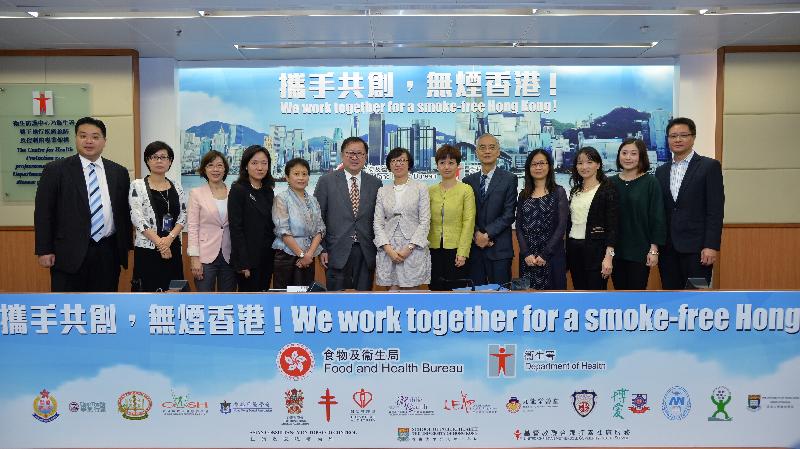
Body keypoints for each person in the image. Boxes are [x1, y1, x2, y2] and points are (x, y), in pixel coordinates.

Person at [34, 116, 132, 292]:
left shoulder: (119, 172)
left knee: (103, 308)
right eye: (83, 136)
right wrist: (44, 250)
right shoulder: (56, 170)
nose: (89, 141)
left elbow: (123, 212)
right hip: (68, 252)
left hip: (108, 251)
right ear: (76, 138)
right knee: (69, 309)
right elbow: (43, 213)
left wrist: (126, 248)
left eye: (95, 137)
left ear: (104, 141)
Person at [655, 117, 724, 289]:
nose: (678, 140)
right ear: (668, 139)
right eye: (673, 136)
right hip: (668, 249)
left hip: (697, 249)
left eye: (683, 135)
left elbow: (715, 210)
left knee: (697, 298)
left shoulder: (709, 166)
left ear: (693, 137)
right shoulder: (661, 171)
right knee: (670, 297)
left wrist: (710, 245)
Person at [314, 136, 382, 291]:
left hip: (366, 250)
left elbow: (379, 219)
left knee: (364, 300)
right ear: (342, 155)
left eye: (359, 153)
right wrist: (322, 249)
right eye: (350, 153)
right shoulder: (326, 181)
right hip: (335, 250)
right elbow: (318, 218)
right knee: (336, 299)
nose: (354, 157)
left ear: (365, 156)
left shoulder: (376, 183)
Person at [129, 141, 187, 292]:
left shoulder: (177, 186)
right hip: (148, 248)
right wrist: (160, 244)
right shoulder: (137, 185)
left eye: (163, 157)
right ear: (147, 160)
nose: (159, 161)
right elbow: (137, 217)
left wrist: (169, 239)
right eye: (154, 157)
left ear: (170, 161)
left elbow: (183, 214)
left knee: (175, 291)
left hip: (173, 245)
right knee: (148, 294)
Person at [610, 138, 666, 290]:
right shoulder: (610, 182)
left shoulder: (650, 182)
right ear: (619, 156)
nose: (628, 157)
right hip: (615, 251)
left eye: (633, 153)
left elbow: (657, 217)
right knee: (619, 295)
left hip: (640, 251)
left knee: (636, 296)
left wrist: (654, 250)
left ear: (641, 156)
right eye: (624, 153)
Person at [463, 133, 517, 287]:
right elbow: (466, 215)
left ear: (498, 152)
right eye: (482, 147)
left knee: (501, 300)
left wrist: (486, 235)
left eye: (491, 147)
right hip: (474, 250)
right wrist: (476, 234)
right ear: (476, 152)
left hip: (499, 249)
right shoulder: (468, 181)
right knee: (475, 300)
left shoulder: (510, 179)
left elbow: (508, 215)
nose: (487, 151)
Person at [373, 147, 431, 290]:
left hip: (413, 247)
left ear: (409, 163)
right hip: (389, 248)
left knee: (412, 296)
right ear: (389, 165)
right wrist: (387, 248)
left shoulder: (420, 187)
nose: (398, 164)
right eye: (394, 161)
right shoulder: (382, 190)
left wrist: (410, 247)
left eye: (402, 160)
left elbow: (425, 221)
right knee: (391, 295)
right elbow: (378, 223)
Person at [566, 146, 618, 290]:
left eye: (589, 162)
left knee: (596, 296)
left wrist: (609, 257)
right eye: (580, 163)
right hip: (574, 249)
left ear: (598, 165)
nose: (584, 167)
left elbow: (613, 227)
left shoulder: (607, 189)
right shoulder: (575, 190)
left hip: (596, 251)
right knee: (579, 292)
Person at [516, 149, 568, 290]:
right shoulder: (523, 194)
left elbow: (562, 226)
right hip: (528, 258)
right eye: (534, 164)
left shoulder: (559, 192)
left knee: (554, 303)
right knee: (526, 303)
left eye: (542, 163)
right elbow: (519, 226)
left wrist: (545, 254)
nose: (538, 167)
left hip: (551, 256)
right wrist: (526, 253)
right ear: (529, 168)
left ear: (549, 166)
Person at [428, 144, 476, 291]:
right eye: (442, 163)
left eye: (451, 163)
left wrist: (463, 252)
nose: (446, 167)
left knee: (456, 292)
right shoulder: (430, 190)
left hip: (456, 250)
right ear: (437, 166)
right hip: (433, 249)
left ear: (458, 166)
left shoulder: (466, 190)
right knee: (435, 290)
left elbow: (468, 222)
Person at [272, 158, 325, 290]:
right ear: (287, 178)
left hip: (309, 256)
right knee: (285, 298)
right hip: (287, 256)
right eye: (296, 174)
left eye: (304, 174)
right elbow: (283, 230)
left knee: (305, 299)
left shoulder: (313, 200)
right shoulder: (281, 198)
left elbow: (320, 229)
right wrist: (301, 255)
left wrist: (309, 255)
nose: (301, 178)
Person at [228, 145, 276, 292]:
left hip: (267, 256)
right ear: (246, 166)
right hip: (247, 259)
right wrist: (243, 263)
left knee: (264, 297)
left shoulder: (268, 191)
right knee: (249, 304)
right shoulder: (238, 190)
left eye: (264, 163)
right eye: (254, 163)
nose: (260, 167)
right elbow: (236, 228)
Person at [187, 150, 236, 292]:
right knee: (204, 300)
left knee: (228, 300)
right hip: (204, 255)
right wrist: (194, 258)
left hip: (229, 254)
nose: (215, 169)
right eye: (210, 165)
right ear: (204, 169)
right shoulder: (196, 193)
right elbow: (193, 227)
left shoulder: (234, 191)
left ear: (225, 169)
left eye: (220, 165)